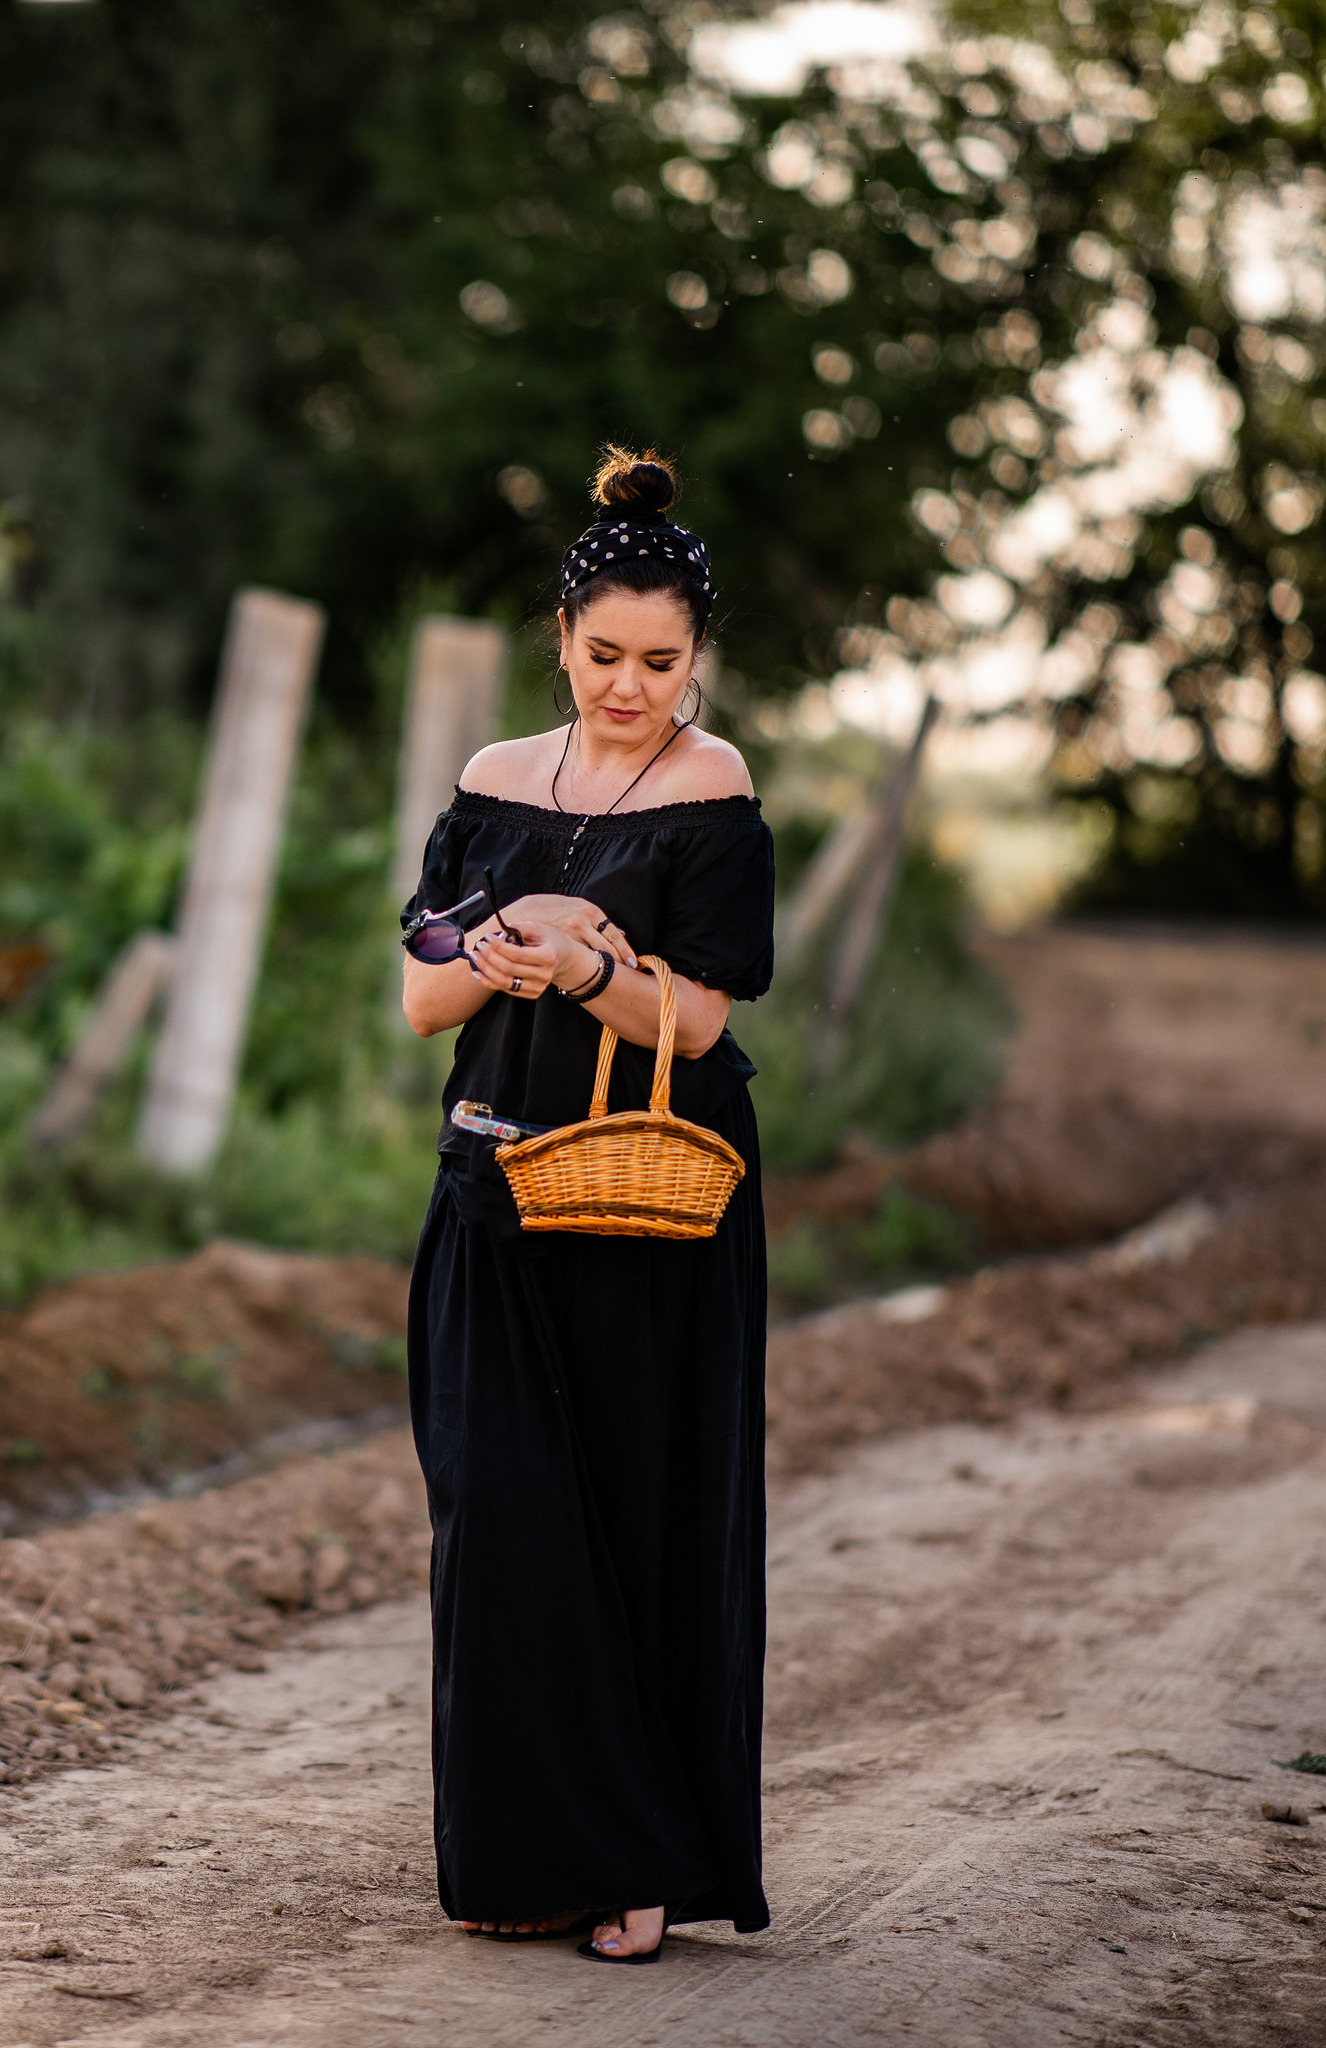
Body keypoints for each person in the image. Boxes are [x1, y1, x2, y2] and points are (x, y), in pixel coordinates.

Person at [398, 447, 775, 1964]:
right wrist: (501, 947)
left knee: (636, 1517)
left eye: (661, 664)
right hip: (496, 1178)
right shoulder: (493, 782)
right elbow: (423, 999)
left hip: (647, 1207)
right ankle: (534, 1852)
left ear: (698, 659)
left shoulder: (713, 790)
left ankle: (640, 1862)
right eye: (605, 656)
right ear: (560, 640)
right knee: (493, 1513)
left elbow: (705, 1020)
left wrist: (586, 970)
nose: (631, 688)